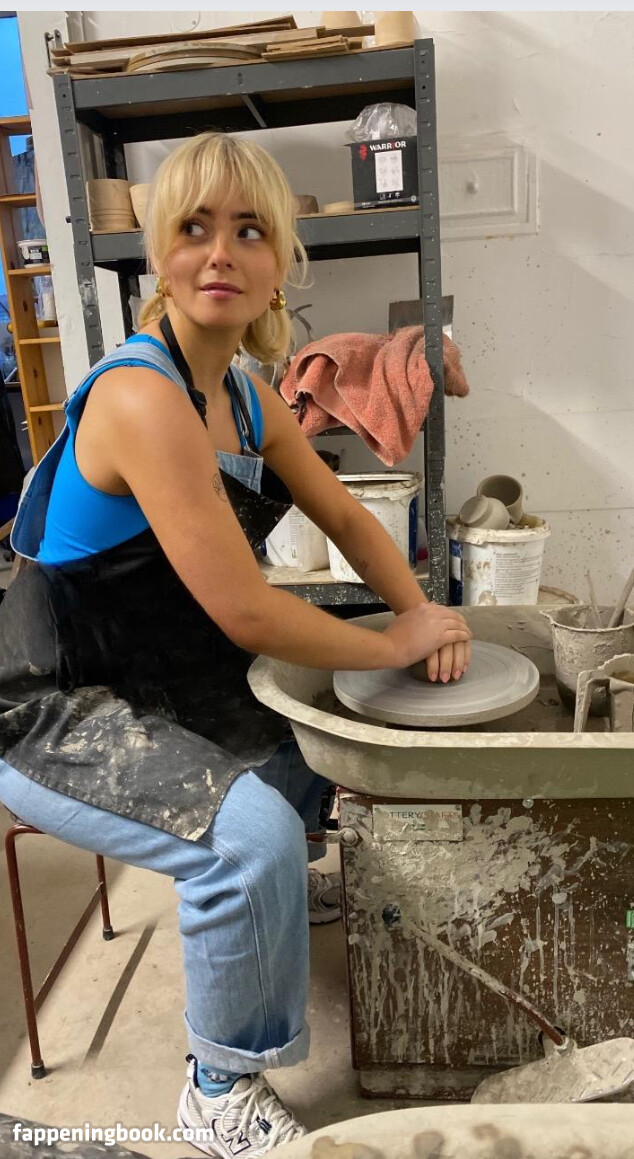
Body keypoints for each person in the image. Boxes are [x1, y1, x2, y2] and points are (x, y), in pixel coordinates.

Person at [0, 133, 471, 1157]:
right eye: (194, 228)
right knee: (248, 838)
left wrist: (420, 608)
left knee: (313, 722)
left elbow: (344, 515)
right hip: (52, 703)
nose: (220, 251)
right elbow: (250, 615)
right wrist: (396, 639)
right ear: (159, 255)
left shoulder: (248, 395)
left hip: (161, 668)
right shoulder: (141, 395)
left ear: (279, 262)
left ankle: (276, 896)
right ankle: (217, 1088)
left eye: (249, 230)